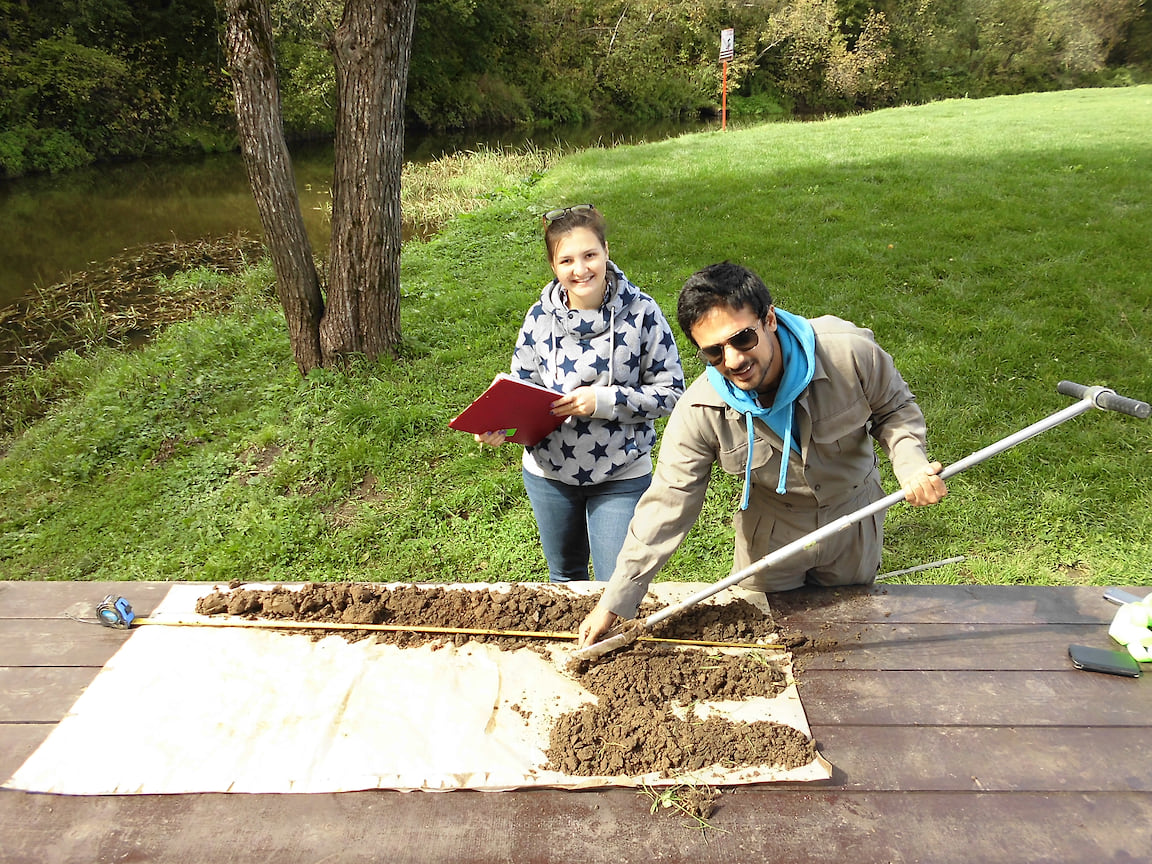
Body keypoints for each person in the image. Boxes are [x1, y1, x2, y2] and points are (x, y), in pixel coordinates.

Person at [578, 261, 947, 645]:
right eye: (714, 353)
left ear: (769, 318)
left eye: (742, 339)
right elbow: (667, 504)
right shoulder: (700, 411)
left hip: (854, 521)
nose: (733, 360)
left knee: (851, 640)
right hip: (770, 535)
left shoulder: (850, 353)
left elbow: (895, 410)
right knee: (762, 646)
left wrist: (910, 463)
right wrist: (618, 598)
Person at [476, 204, 685, 583]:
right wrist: (500, 426)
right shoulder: (538, 317)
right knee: (565, 580)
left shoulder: (642, 313)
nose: (581, 269)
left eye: (590, 255)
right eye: (567, 260)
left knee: (615, 586)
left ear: (607, 250)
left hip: (621, 472)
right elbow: (522, 390)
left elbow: (671, 392)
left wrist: (602, 401)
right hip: (548, 473)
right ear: (554, 267)